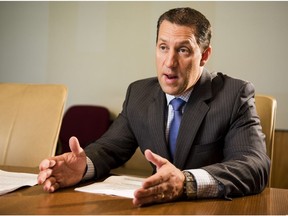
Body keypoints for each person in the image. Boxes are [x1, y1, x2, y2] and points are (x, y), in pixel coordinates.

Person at [38, 7, 270, 207]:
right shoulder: (139, 94)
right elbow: (110, 148)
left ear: (204, 55)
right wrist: (84, 166)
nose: (169, 62)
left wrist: (186, 181)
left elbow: (254, 167)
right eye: (163, 47)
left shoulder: (234, 94)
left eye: (183, 50)